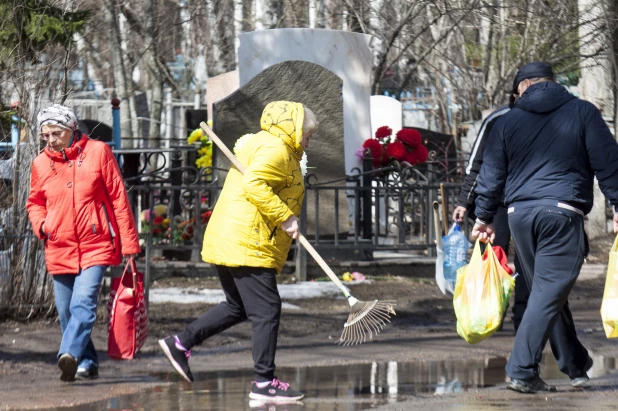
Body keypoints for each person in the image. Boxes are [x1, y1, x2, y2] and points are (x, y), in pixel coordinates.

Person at [472, 62, 618, 393]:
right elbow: (609, 163)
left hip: (519, 216)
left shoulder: (506, 122)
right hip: (561, 214)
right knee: (549, 290)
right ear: (552, 83)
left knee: (547, 290)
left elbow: (490, 176)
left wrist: (483, 218)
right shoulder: (583, 113)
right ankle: (522, 370)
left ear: (523, 87)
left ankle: (574, 363)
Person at [159, 101, 318, 402]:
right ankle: (263, 383)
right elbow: (255, 184)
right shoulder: (277, 149)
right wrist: (285, 216)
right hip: (249, 240)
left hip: (233, 236)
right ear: (294, 129)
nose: (309, 141)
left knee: (239, 306)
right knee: (267, 309)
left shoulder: (265, 143)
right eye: (307, 135)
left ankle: (181, 343)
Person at [26, 104, 140, 382]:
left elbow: (118, 199)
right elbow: (35, 202)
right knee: (66, 311)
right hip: (59, 244)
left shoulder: (99, 152)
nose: (50, 140)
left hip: (96, 243)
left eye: (55, 133)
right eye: (45, 135)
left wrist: (129, 245)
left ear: (71, 129)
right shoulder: (41, 163)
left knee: (83, 303)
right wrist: (42, 226)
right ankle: (86, 360)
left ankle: (68, 353)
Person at [453, 103, 528, 334]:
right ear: (518, 91)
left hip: (531, 202)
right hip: (499, 203)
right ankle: (489, 311)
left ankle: (524, 318)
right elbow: (478, 164)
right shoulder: (498, 119)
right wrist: (464, 201)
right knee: (494, 256)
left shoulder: (552, 116)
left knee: (529, 260)